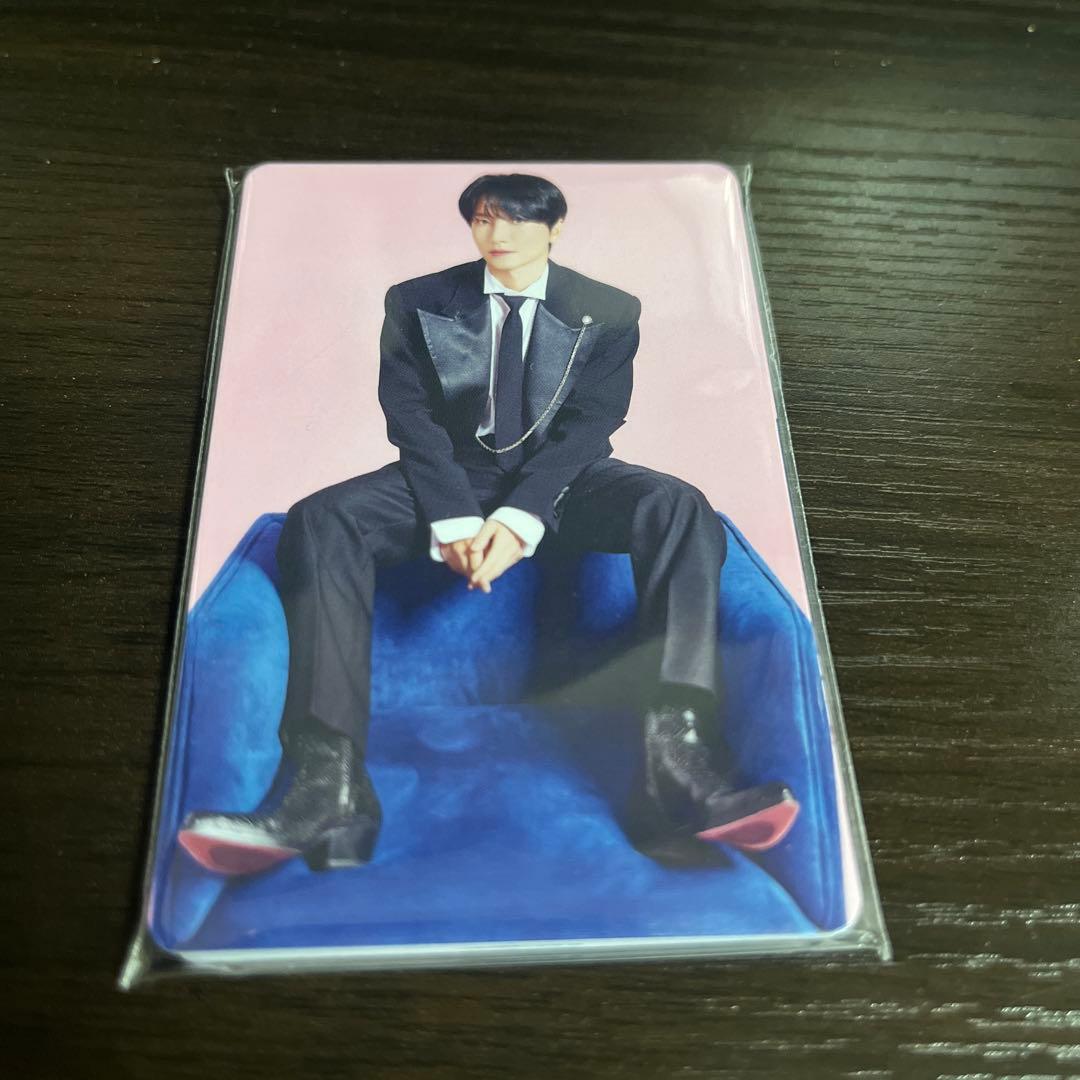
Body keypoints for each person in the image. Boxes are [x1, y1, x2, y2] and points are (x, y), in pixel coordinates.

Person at [178, 173, 799, 876]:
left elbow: (590, 425)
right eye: (482, 220)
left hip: (566, 480)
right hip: (448, 476)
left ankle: (676, 762)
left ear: (555, 229)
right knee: (322, 519)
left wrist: (521, 515)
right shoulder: (416, 300)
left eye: (515, 221)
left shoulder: (609, 309)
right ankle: (331, 787)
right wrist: (452, 518)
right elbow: (409, 419)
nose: (497, 235)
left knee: (678, 505)